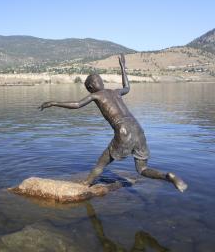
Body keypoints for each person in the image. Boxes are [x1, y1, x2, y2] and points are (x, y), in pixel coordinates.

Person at [39, 54, 187, 192]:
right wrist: (123, 66)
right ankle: (168, 176)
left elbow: (77, 104)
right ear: (101, 82)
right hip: (137, 128)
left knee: (101, 163)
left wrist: (54, 102)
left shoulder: (95, 95)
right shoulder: (115, 92)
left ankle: (86, 184)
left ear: (90, 87)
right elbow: (127, 87)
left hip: (124, 130)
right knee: (142, 169)